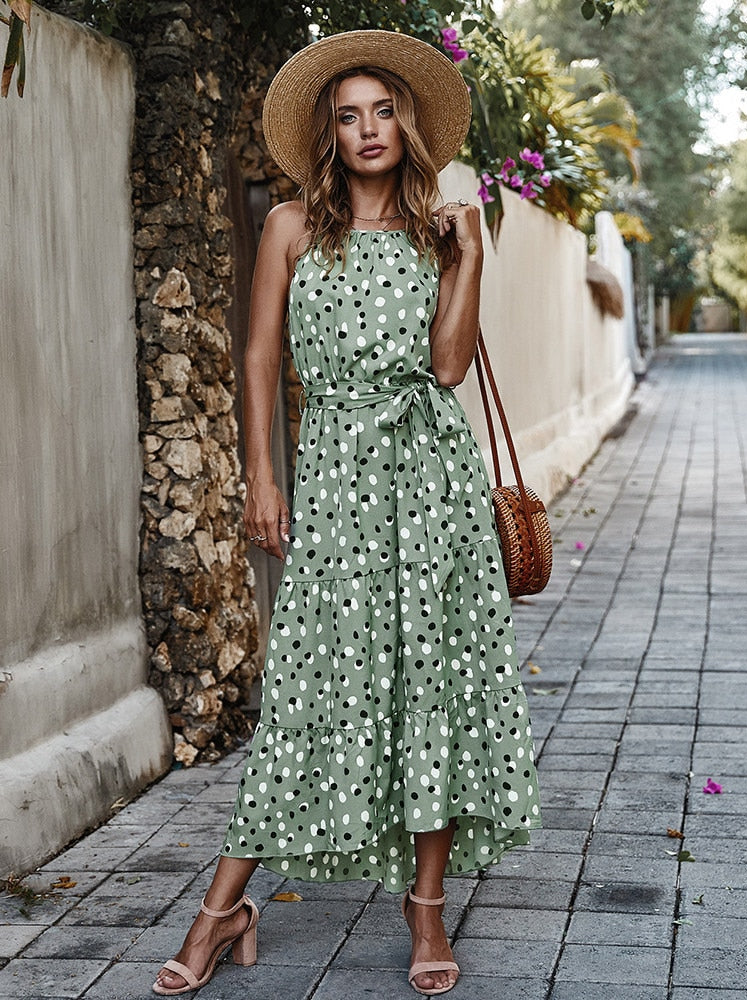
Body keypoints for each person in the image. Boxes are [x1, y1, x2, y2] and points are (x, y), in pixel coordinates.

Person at [153, 29, 541, 998]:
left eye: (382, 112)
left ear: (407, 127)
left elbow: (448, 368)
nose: (368, 129)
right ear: (329, 135)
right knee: (311, 690)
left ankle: (425, 907)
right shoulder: (291, 226)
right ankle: (222, 907)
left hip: (433, 485)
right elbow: (255, 359)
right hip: (331, 476)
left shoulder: (437, 231)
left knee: (434, 684)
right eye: (348, 116)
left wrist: (470, 258)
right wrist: (262, 477)